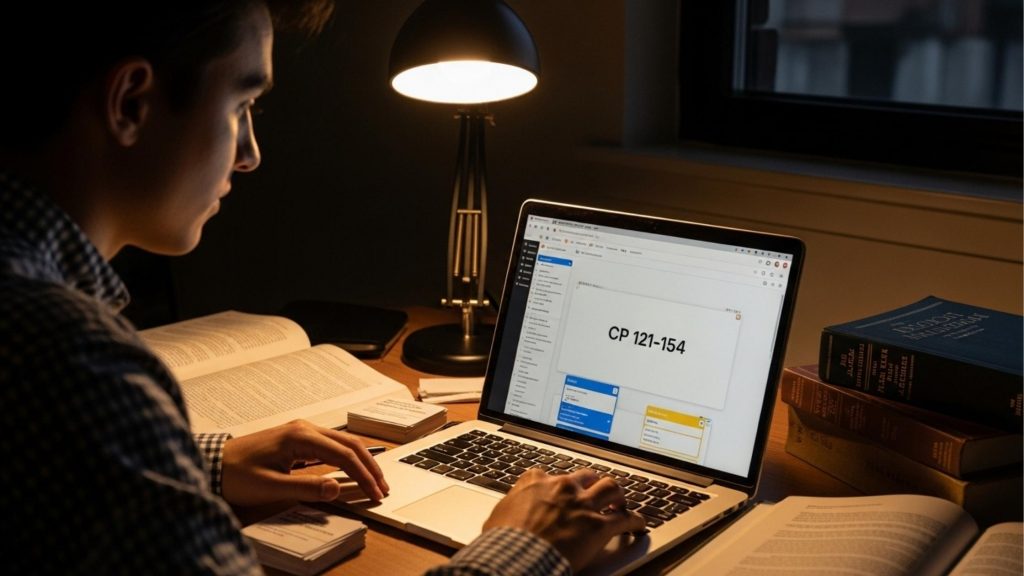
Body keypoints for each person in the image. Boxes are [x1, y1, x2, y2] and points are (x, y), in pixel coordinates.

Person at [0, 1, 646, 574]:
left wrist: (203, 463)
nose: (250, 153)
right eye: (242, 105)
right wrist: (525, 547)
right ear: (131, 103)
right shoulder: (74, 357)